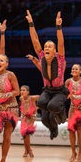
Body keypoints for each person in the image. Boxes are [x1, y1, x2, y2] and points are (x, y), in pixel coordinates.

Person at [26, 10, 69, 140]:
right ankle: (53, 127)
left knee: (52, 106)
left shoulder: (60, 58)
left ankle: (60, 113)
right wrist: (31, 23)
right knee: (41, 103)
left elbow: (61, 42)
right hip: (47, 90)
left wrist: (58, 27)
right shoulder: (41, 57)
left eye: (50, 46)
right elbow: (35, 40)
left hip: (60, 91)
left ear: (55, 50)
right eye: (45, 46)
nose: (46, 48)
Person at [65, 64, 81, 162]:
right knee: (71, 130)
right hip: (73, 107)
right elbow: (65, 92)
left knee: (79, 129)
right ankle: (73, 152)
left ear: (80, 71)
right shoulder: (68, 81)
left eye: (76, 69)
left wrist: (76, 97)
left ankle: (80, 152)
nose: (74, 70)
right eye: (73, 69)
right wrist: (67, 96)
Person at [19, 85, 39, 158]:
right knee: (24, 134)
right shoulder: (21, 98)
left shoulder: (32, 98)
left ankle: (28, 150)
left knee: (26, 133)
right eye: (21, 90)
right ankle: (27, 150)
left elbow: (42, 99)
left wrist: (37, 108)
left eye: (24, 90)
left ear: (28, 92)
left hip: (31, 117)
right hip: (24, 116)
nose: (22, 91)